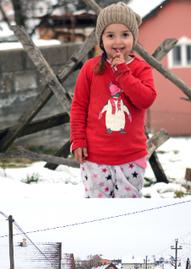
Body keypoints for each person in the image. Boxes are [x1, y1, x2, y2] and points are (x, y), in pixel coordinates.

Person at [70, 2, 156, 198]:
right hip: (95, 157)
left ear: (134, 38)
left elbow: (146, 100)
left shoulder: (141, 69)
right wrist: (78, 140)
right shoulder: (90, 68)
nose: (118, 41)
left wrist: (124, 74)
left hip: (131, 157)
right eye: (110, 35)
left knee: (127, 207)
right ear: (101, 39)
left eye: (125, 34)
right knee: (98, 207)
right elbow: (79, 107)